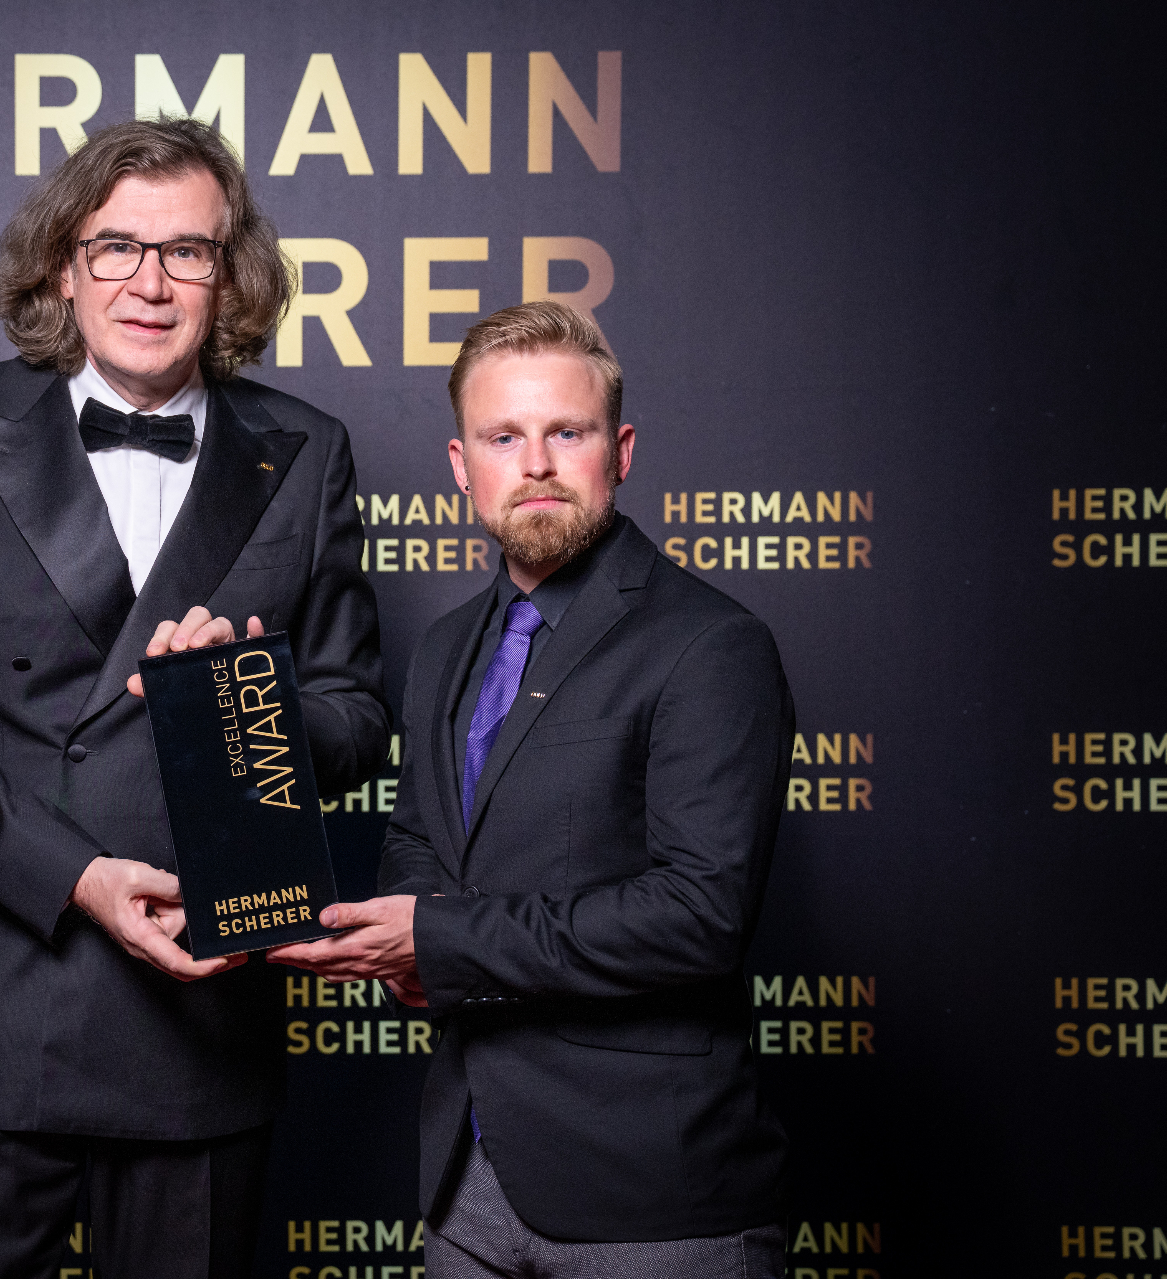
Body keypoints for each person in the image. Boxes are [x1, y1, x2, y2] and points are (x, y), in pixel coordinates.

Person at [0, 116, 387, 1279]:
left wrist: (247, 703)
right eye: (117, 247)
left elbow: (355, 717)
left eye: (187, 250)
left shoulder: (308, 449)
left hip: (204, 1007)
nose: (150, 281)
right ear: (63, 266)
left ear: (230, 276)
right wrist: (77, 874)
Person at [270, 302, 792, 1278]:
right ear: (462, 466)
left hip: (650, 1194)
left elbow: (700, 916)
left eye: (568, 433)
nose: (537, 463)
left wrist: (439, 938)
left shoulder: (711, 645)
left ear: (620, 452)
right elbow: (419, 843)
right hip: (466, 1183)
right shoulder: (444, 647)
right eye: (503, 437)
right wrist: (394, 941)